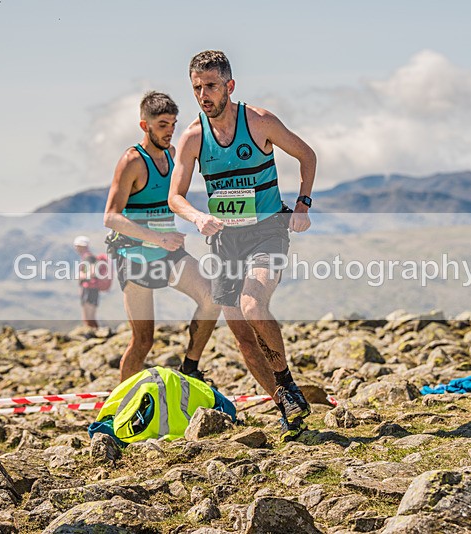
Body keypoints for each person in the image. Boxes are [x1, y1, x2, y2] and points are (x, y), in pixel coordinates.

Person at [168, 50, 317, 441]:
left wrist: (303, 204)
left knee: (253, 303)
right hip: (224, 241)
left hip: (268, 230)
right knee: (241, 332)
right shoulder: (193, 137)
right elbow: (175, 196)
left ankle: (287, 382)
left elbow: (307, 155)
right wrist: (198, 217)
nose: (204, 95)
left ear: (229, 86)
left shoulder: (260, 121)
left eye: (211, 86)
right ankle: (285, 404)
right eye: (197, 87)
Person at [104, 91, 220, 382]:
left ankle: (190, 369)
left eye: (173, 124)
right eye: (162, 125)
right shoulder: (132, 161)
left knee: (212, 298)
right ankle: (123, 407)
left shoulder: (172, 155)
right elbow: (111, 217)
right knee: (143, 341)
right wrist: (158, 237)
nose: (170, 131)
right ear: (145, 126)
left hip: (168, 253)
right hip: (134, 257)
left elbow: (176, 199)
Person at [73, 235, 101, 329]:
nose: (75, 248)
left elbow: (93, 272)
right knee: (90, 315)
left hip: (89, 288)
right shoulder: (89, 257)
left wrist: (81, 276)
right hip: (91, 288)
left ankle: (92, 332)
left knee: (88, 315)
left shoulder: (89, 258)